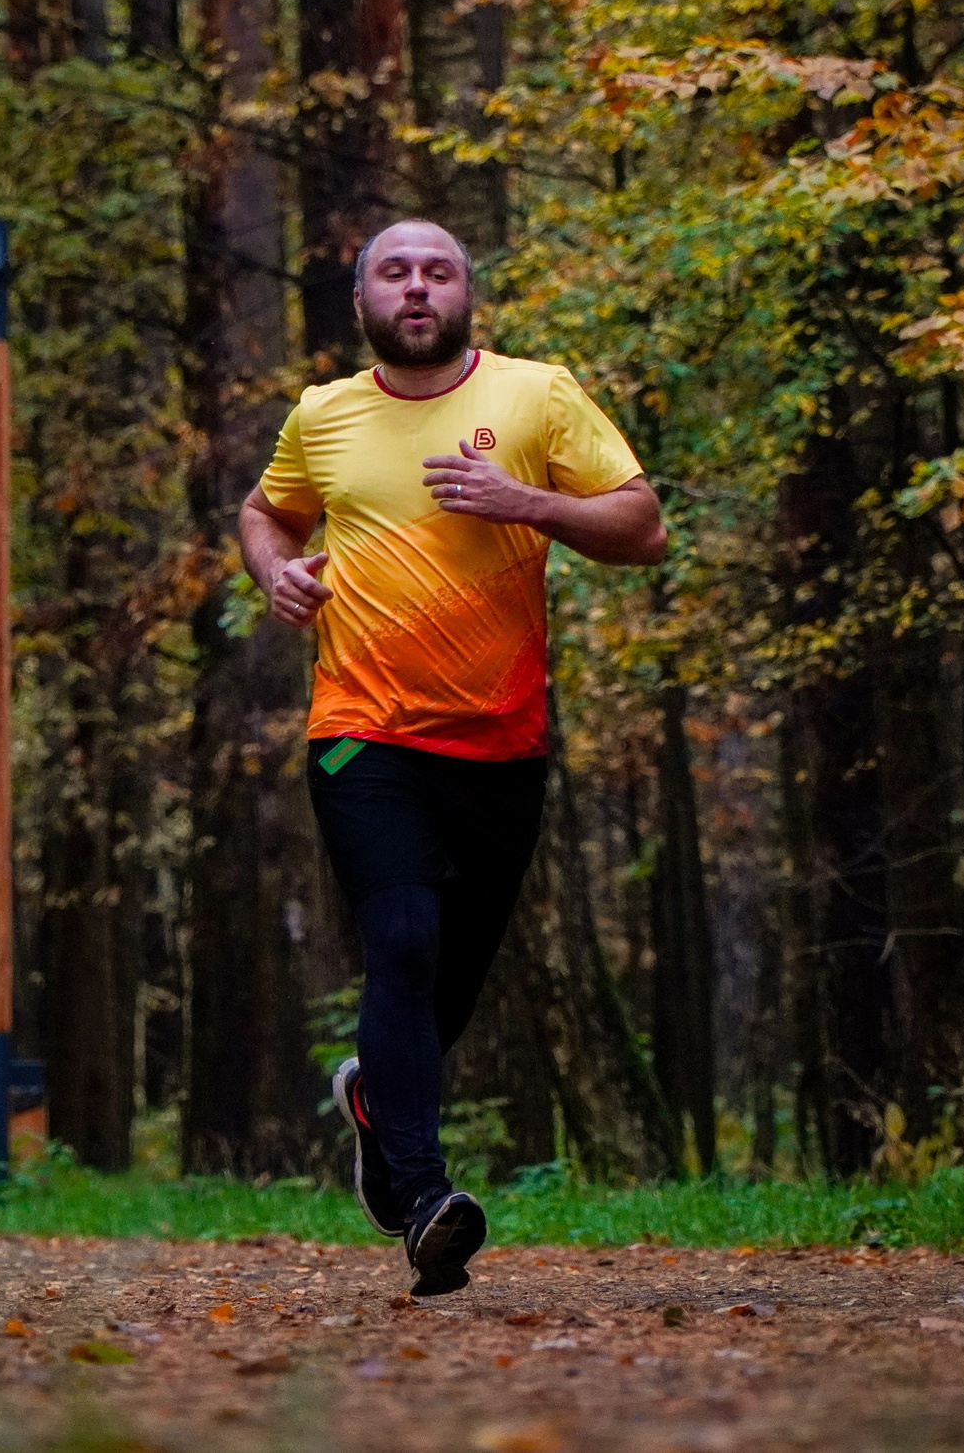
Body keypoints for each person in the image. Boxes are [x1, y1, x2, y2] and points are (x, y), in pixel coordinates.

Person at [242, 219, 664, 1297]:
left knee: (448, 985)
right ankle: (423, 1199)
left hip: (501, 743)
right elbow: (264, 513)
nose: (418, 286)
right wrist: (275, 574)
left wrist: (531, 507)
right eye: (396, 271)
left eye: (439, 270)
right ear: (363, 299)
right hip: (361, 731)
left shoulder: (537, 396)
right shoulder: (322, 415)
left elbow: (642, 526)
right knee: (405, 937)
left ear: (467, 293)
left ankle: (379, 1106)